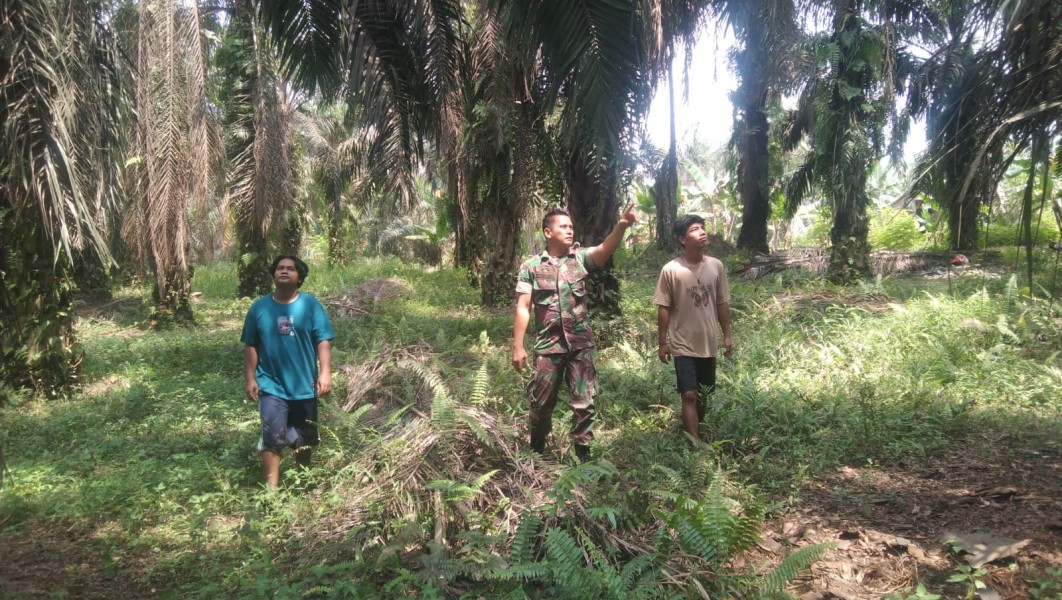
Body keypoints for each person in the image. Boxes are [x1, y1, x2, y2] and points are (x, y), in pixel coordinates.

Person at [512, 206, 639, 462]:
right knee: (541, 403)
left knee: (584, 402)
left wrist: (622, 225)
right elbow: (523, 306)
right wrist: (518, 345)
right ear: (548, 232)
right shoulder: (531, 267)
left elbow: (603, 252)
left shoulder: (579, 258)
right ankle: (536, 451)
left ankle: (583, 456)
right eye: (563, 227)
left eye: (571, 227)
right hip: (549, 347)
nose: (569, 230)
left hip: (581, 345)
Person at [242, 255, 334, 489]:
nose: (284, 271)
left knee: (303, 439)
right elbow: (251, 344)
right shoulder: (259, 308)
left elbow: (322, 341)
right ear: (274, 274)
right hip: (271, 385)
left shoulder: (311, 305)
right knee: (272, 438)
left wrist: (325, 373)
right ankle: (271, 491)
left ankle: (304, 483)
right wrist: (250, 377)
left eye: (290, 269)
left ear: (299, 277)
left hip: (305, 386)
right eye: (280, 268)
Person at [653, 215, 732, 443]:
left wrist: (726, 335)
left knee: (703, 395)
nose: (702, 232)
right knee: (689, 394)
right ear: (682, 239)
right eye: (695, 229)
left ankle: (691, 428)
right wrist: (662, 341)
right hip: (682, 342)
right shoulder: (671, 270)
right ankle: (695, 444)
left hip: (708, 341)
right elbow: (664, 307)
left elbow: (721, 303)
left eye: (702, 228)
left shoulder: (716, 266)